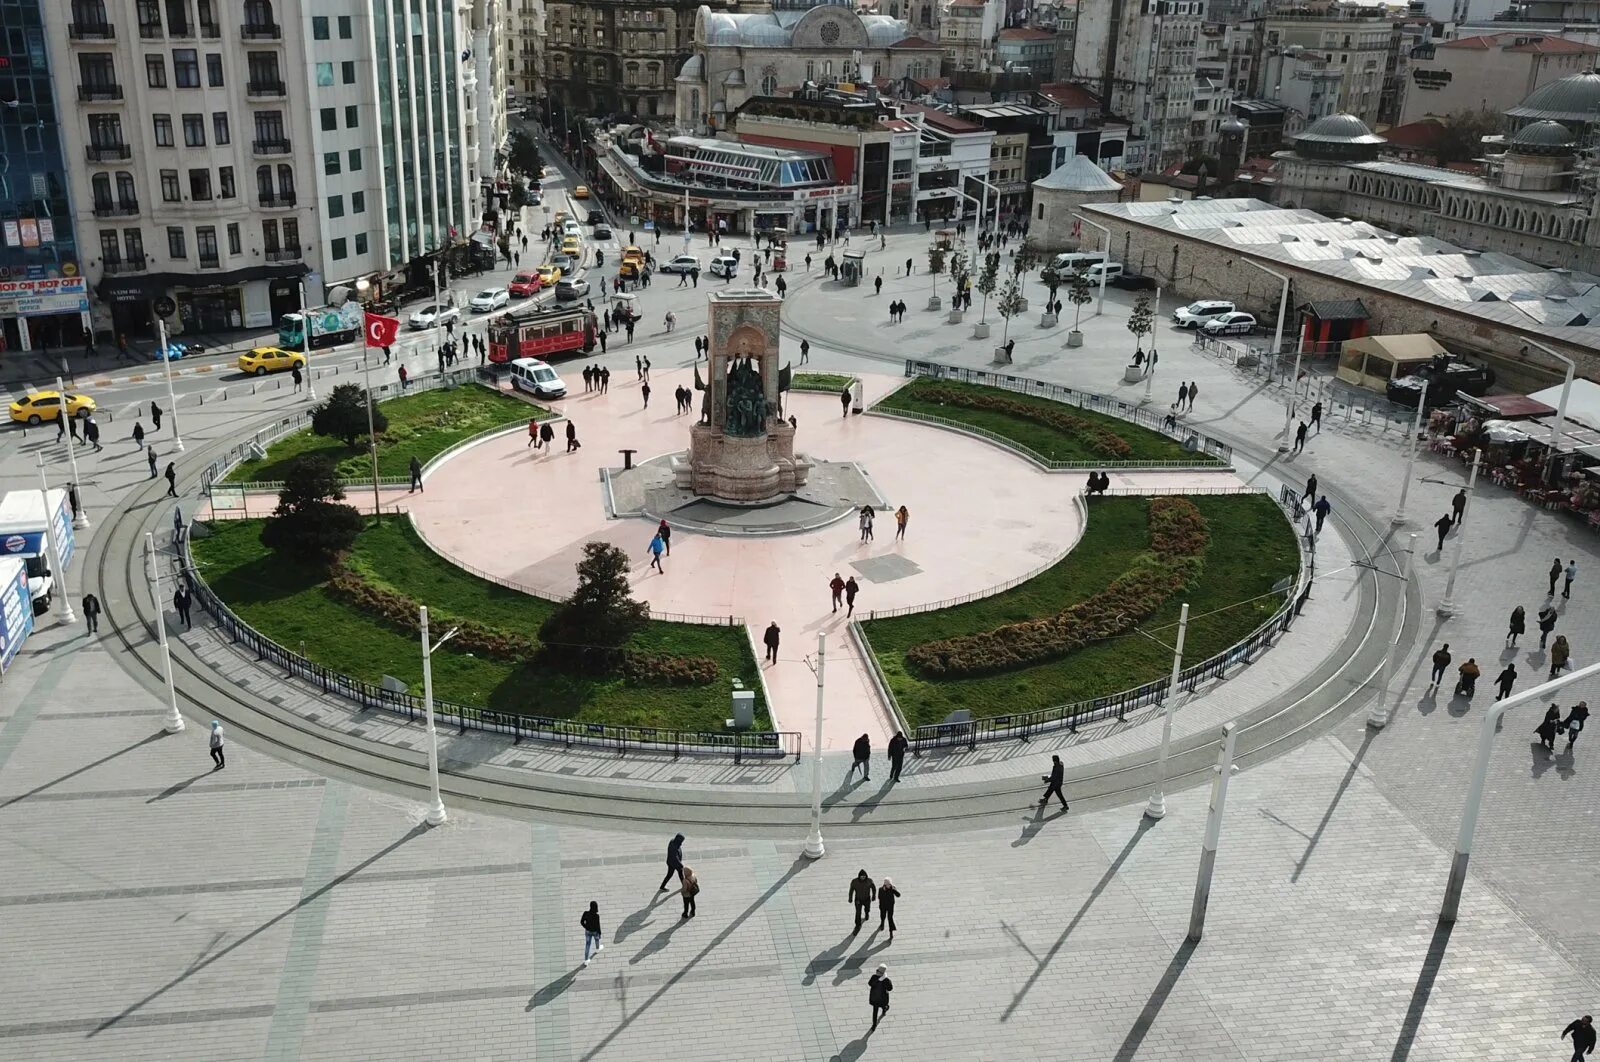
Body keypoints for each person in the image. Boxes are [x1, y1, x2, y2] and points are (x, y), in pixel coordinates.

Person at [868, 965, 893, 1030]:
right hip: (875, 997)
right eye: (877, 970)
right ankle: (874, 1025)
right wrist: (878, 980)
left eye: (877, 971)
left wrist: (882, 981)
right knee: (875, 1012)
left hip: (882, 998)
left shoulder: (886, 980)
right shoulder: (874, 977)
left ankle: (884, 1009)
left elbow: (890, 988)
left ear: (881, 973)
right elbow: (870, 984)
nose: (876, 971)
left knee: (882, 1006)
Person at [580, 901, 604, 966]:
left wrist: (586, 927)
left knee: (587, 944)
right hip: (595, 931)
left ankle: (586, 960)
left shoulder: (586, 913)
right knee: (597, 940)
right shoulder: (597, 916)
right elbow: (598, 926)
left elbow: (582, 922)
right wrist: (600, 933)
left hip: (588, 931)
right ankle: (597, 949)